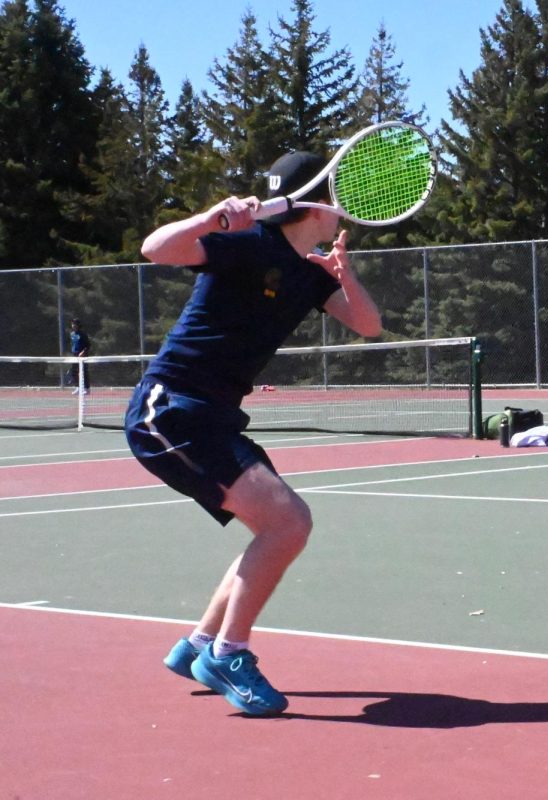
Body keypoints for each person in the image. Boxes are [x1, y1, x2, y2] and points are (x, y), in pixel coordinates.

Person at [125, 151, 383, 716]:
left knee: (273, 528)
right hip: (172, 409)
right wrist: (215, 218)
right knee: (288, 523)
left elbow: (368, 325)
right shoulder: (247, 247)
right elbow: (156, 248)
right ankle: (228, 653)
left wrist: (346, 276)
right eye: (333, 197)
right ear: (312, 206)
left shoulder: (306, 272)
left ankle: (198, 644)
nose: (341, 208)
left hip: (213, 416)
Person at [68, 318, 90, 394]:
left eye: (75, 324)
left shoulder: (83, 334)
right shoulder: (72, 334)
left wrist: (83, 352)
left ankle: (86, 388)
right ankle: (78, 387)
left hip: (83, 355)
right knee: (74, 371)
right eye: (72, 324)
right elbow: (73, 344)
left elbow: (88, 345)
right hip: (75, 355)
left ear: (78, 325)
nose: (73, 325)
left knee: (83, 371)